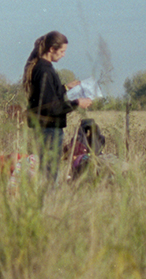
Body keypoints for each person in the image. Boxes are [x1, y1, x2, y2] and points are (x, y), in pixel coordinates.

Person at [22, 31, 92, 180]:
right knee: (49, 173)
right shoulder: (44, 70)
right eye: (62, 51)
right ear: (51, 49)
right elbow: (51, 106)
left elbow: (48, 94)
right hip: (49, 130)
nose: (63, 55)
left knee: (46, 170)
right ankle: (50, 200)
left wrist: (66, 87)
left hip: (44, 128)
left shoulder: (42, 68)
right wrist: (77, 103)